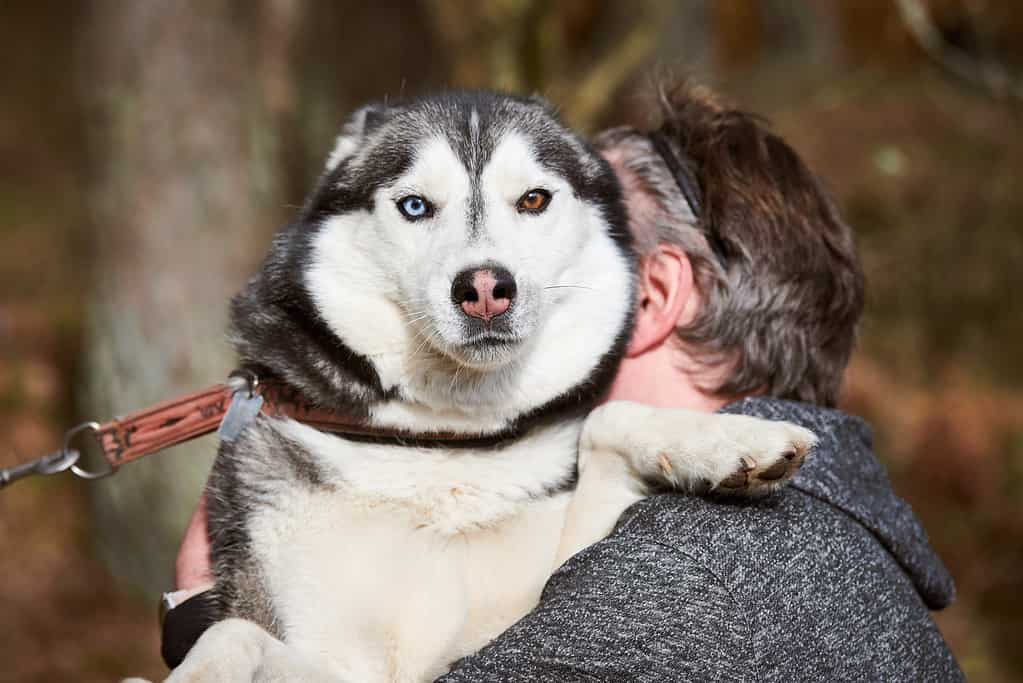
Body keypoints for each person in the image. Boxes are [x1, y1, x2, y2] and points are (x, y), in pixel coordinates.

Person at [169, 82, 963, 681]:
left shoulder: (682, 572)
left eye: (541, 209)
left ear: (650, 295)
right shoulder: (841, 544)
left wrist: (203, 606)